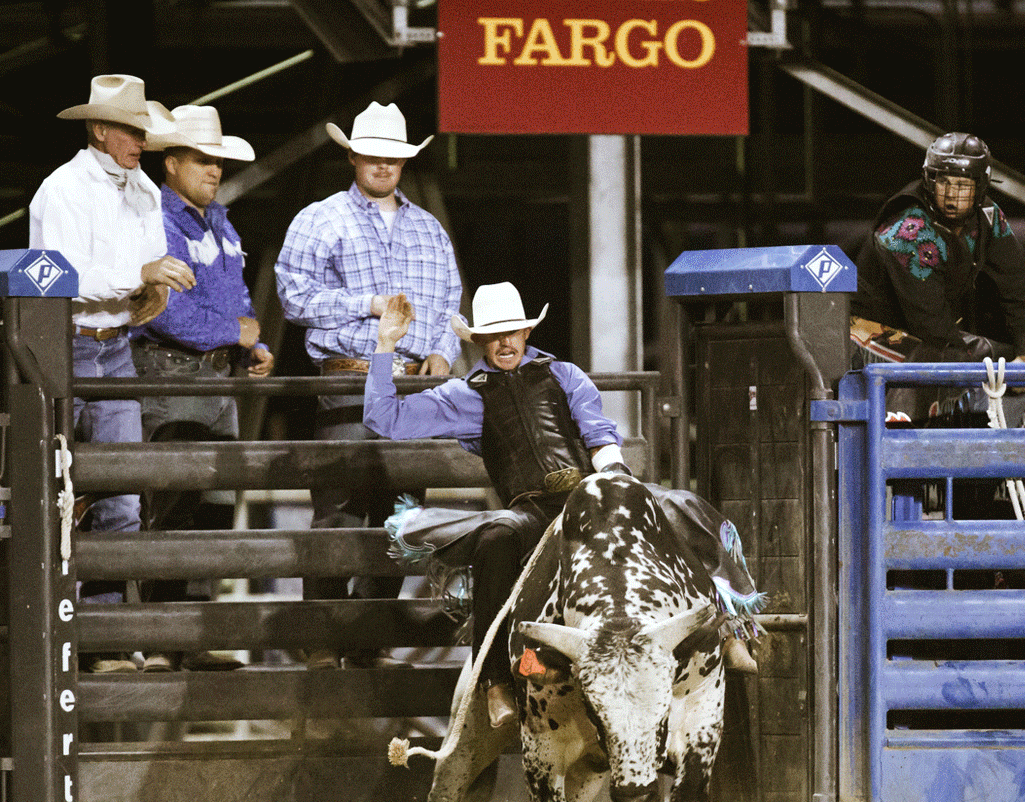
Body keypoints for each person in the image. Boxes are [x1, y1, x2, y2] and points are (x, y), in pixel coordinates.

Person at [364, 283, 762, 728]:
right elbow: (384, 417)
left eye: (512, 332)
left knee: (680, 504)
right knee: (496, 538)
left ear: (526, 332)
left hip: (592, 493)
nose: (505, 343)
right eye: (494, 336)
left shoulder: (564, 374)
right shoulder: (463, 394)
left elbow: (598, 434)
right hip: (531, 511)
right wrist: (385, 346)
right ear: (480, 341)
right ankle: (494, 680)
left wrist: (614, 480)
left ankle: (728, 626)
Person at [275, 101, 462, 669]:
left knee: (403, 515)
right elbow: (293, 296)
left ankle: (368, 637)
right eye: (373, 156)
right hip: (350, 378)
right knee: (340, 510)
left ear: (403, 164)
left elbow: (449, 303)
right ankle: (322, 636)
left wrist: (442, 350)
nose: (383, 166)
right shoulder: (321, 219)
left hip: (412, 387)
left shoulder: (428, 229)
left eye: (393, 158)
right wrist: (369, 304)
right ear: (354, 157)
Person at [29, 74, 196, 674]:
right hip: (63, 348)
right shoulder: (61, 190)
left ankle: (106, 641)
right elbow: (59, 277)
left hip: (114, 347)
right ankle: (56, 637)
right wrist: (141, 275)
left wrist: (150, 290)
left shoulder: (143, 189)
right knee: (53, 495)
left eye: (143, 132)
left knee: (122, 497)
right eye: (131, 130)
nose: (141, 142)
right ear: (100, 130)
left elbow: (142, 270)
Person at [129, 105, 274, 673]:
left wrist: (251, 342)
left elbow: (234, 297)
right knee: (173, 505)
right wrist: (236, 332)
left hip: (215, 378)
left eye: (218, 161)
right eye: (201, 160)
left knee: (212, 507)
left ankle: (191, 635)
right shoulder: (158, 221)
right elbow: (164, 312)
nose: (214, 170)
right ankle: (164, 641)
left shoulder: (217, 223)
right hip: (173, 374)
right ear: (172, 163)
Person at [852, 131, 1025, 427]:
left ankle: (1000, 447)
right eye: (944, 182)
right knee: (987, 365)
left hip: (927, 327)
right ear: (930, 181)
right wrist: (973, 366)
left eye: (963, 185)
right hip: (873, 330)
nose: (952, 195)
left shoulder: (988, 215)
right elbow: (930, 323)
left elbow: (1018, 284)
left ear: (980, 186)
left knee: (1012, 362)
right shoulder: (909, 230)